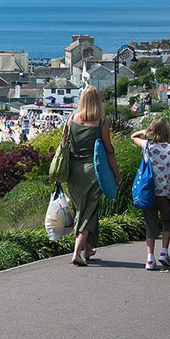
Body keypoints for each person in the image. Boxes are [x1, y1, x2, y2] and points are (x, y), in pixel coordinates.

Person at [65, 86, 120, 267]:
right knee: (88, 211)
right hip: (92, 172)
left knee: (82, 208)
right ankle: (77, 252)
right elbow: (109, 151)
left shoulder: (71, 119)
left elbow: (64, 145)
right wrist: (116, 174)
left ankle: (88, 249)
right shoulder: (101, 123)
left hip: (73, 172)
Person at [131, 118, 170, 270]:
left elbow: (133, 136)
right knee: (168, 221)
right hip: (164, 192)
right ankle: (164, 252)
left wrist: (145, 132)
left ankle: (150, 258)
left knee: (150, 223)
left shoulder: (147, 146)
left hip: (148, 191)